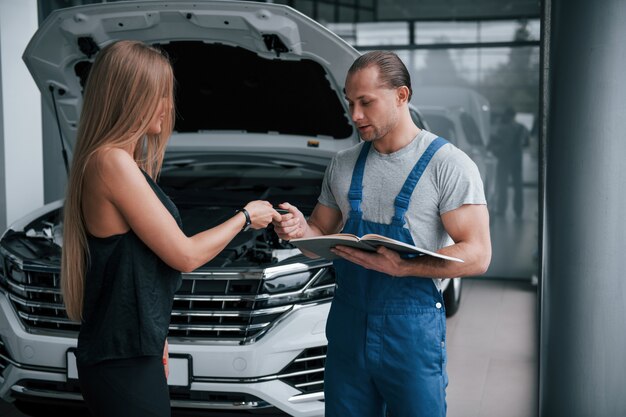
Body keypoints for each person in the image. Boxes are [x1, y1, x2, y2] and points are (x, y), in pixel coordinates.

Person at [60, 40, 281, 417]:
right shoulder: (112, 162)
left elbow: (138, 266)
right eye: (160, 94)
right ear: (132, 97)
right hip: (120, 358)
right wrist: (246, 217)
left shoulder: (120, 162)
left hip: (132, 349)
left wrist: (156, 334)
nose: (168, 105)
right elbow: (185, 255)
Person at [272, 51, 491, 417]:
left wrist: (405, 267)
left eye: (366, 102)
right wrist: (298, 230)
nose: (355, 115)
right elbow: (319, 236)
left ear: (401, 96)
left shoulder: (448, 165)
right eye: (350, 102)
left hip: (410, 331)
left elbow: (479, 255)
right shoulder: (342, 165)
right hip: (347, 328)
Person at [489, 106, 529, 218]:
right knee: (518, 186)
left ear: (507, 115)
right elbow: (526, 143)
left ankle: (501, 209)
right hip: (517, 159)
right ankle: (518, 210)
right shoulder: (521, 128)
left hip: (504, 158)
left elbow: (493, 142)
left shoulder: (501, 128)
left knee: (502, 185)